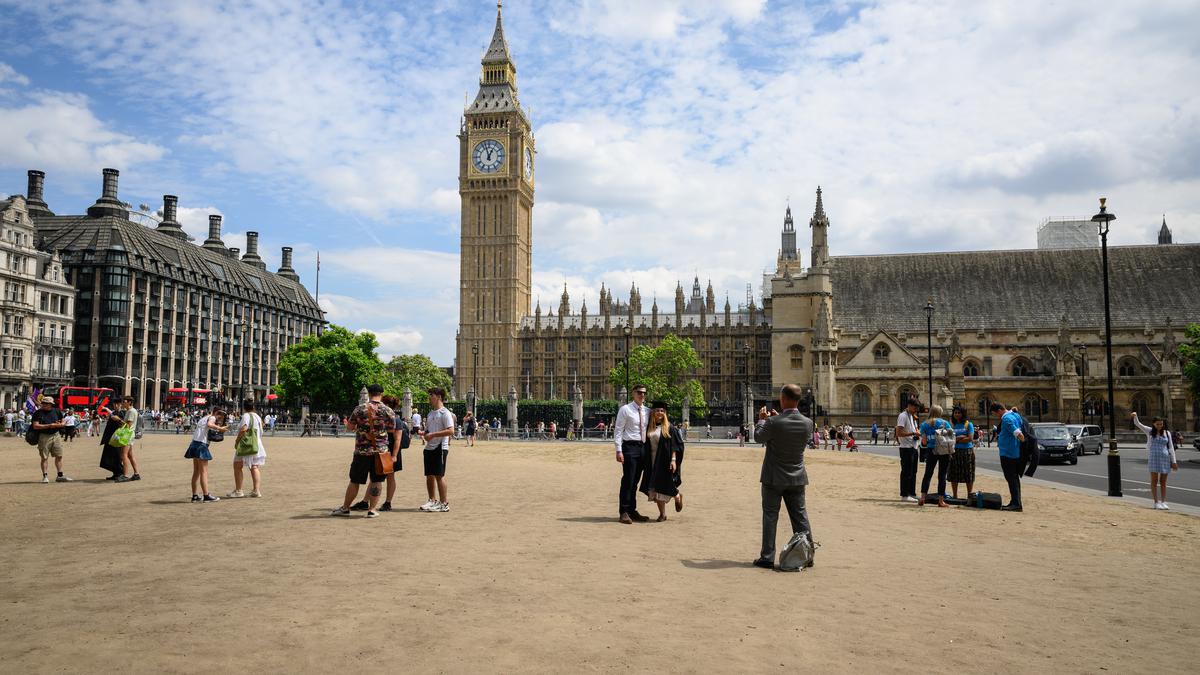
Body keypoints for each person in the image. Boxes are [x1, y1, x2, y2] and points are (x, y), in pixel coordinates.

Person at [752, 384, 814, 572]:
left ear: (783, 399)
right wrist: (774, 420)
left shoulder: (773, 422)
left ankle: (767, 557)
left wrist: (762, 421)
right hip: (796, 476)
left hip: (773, 477)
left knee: (770, 516)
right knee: (800, 517)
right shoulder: (807, 423)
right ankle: (808, 555)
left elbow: (758, 438)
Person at [332, 385, 397, 518]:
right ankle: (372, 509)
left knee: (355, 481)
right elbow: (391, 429)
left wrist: (362, 430)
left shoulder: (360, 408)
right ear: (381, 393)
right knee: (377, 481)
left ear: (369, 393)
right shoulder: (388, 410)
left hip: (362, 451)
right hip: (380, 451)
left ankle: (345, 508)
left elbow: (350, 427)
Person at [638, 401, 685, 521]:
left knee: (665, 485)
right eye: (657, 410)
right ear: (653, 412)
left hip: (664, 461)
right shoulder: (649, 427)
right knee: (655, 488)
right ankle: (662, 514)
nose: (659, 413)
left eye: (662, 411)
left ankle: (677, 496)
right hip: (652, 461)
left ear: (665, 413)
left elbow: (675, 446)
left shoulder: (669, 428)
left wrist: (673, 460)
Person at [614, 384, 651, 524]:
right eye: (639, 392)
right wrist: (619, 450)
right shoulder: (625, 409)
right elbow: (618, 431)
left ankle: (632, 510)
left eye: (644, 393)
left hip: (643, 448)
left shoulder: (647, 411)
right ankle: (623, 511)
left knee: (635, 481)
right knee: (628, 480)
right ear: (633, 394)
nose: (642, 395)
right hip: (629, 447)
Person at [1132, 412, 1178, 510]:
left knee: (1163, 481)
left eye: (1161, 424)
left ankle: (1163, 501)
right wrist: (1135, 416)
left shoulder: (1167, 433)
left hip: (1165, 458)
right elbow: (1138, 424)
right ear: (1153, 424)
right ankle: (1156, 502)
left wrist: (1174, 461)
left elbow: (1171, 448)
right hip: (1154, 458)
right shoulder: (1149, 431)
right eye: (1157, 424)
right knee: (1154, 480)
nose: (1159, 426)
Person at [419, 387, 455, 512]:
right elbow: (429, 431)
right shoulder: (430, 413)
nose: (429, 398)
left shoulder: (445, 413)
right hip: (429, 447)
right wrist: (424, 433)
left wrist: (433, 435)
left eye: (431, 395)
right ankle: (432, 500)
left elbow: (451, 430)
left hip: (440, 447)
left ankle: (444, 503)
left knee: (439, 475)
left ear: (439, 396)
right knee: (429, 475)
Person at [186, 408, 228, 502]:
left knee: (196, 472)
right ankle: (206, 495)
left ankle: (195, 496)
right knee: (203, 472)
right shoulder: (212, 417)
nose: (219, 419)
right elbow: (210, 425)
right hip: (201, 445)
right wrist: (220, 428)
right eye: (220, 416)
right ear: (216, 413)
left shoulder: (203, 418)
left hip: (194, 444)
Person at [227, 399, 266, 498]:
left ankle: (239, 490)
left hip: (246, 444)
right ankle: (256, 490)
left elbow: (244, 428)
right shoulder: (257, 416)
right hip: (256, 444)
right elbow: (262, 426)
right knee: (254, 467)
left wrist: (237, 440)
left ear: (244, 407)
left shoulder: (246, 416)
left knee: (237, 466)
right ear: (253, 407)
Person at [991, 402, 1026, 511]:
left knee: (1011, 479)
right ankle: (1015, 501)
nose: (997, 416)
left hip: (1008, 453)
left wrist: (1022, 440)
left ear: (999, 410)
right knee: (1014, 479)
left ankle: (1016, 504)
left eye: (996, 414)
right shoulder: (1015, 415)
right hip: (1014, 452)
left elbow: (1018, 433)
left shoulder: (1006, 419)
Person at [31, 395, 72, 483]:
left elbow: (63, 420)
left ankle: (60, 476)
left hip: (56, 435)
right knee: (44, 457)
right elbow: (35, 426)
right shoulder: (38, 413)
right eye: (44, 403)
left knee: (59, 455)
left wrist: (62, 424)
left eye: (47, 404)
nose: (44, 405)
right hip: (44, 436)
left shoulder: (56, 411)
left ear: (51, 404)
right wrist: (50, 425)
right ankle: (45, 476)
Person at [918, 405, 953, 507]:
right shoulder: (945, 423)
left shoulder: (925, 424)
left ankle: (923, 498)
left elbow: (924, 442)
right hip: (943, 451)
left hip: (931, 450)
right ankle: (941, 501)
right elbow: (951, 437)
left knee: (927, 474)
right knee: (942, 476)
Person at [896, 399, 922, 502]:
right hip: (906, 447)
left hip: (913, 446)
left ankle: (911, 493)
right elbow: (899, 433)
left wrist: (916, 432)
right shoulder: (903, 416)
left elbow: (913, 430)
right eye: (915, 408)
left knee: (913, 472)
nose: (916, 410)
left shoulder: (912, 416)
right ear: (910, 406)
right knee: (906, 472)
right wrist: (912, 434)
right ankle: (905, 495)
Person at [948, 406, 976, 499]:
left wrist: (957, 439)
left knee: (969, 474)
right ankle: (955, 495)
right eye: (955, 412)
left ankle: (969, 495)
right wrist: (961, 437)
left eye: (958, 412)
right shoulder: (952, 425)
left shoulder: (969, 424)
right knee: (954, 474)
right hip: (954, 451)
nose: (956, 414)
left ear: (963, 413)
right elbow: (948, 439)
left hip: (967, 451)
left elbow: (970, 438)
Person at [113, 396, 142, 482]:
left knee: (123, 454)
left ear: (130, 402)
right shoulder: (130, 411)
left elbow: (128, 425)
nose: (123, 403)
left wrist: (118, 419)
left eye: (124, 401)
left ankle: (125, 475)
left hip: (128, 435)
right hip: (129, 434)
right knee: (130, 455)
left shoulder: (131, 411)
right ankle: (136, 474)